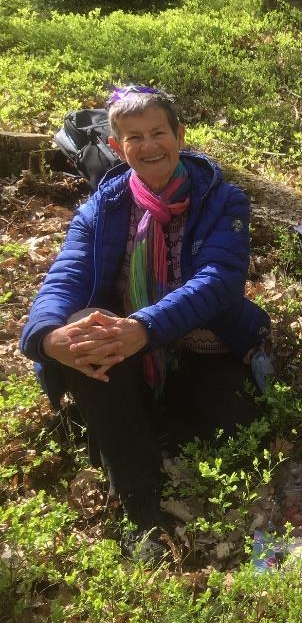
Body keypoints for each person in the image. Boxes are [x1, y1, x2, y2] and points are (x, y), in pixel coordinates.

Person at [20, 86, 272, 557]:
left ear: (180, 135)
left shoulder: (223, 200)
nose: (149, 145)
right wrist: (47, 337)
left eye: (159, 132)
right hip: (123, 349)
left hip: (203, 343)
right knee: (85, 329)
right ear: (117, 146)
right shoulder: (103, 207)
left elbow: (219, 283)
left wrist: (145, 328)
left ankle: (136, 430)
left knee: (231, 432)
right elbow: (66, 275)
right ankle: (139, 508)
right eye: (134, 137)